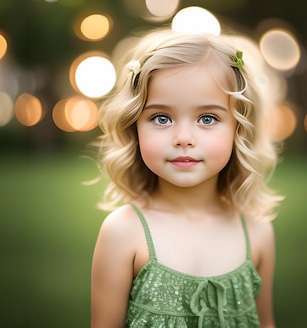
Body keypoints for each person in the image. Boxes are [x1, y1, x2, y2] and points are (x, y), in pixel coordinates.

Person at [90, 27, 284, 328]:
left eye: (207, 118)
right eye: (161, 118)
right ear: (134, 127)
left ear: (238, 129)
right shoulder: (123, 233)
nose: (183, 138)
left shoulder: (257, 233)